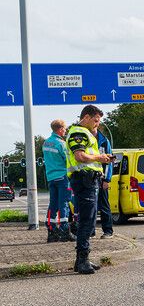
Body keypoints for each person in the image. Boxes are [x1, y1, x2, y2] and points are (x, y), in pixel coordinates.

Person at [65, 105, 115, 275]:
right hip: (84, 179)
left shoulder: (86, 133)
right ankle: (82, 261)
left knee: (90, 219)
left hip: (89, 179)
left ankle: (82, 259)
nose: (97, 125)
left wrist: (102, 160)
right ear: (86, 117)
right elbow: (80, 156)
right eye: (95, 120)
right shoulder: (79, 132)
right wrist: (100, 157)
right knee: (87, 221)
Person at [42, 119, 74, 243]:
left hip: (51, 177)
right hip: (62, 177)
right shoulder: (61, 144)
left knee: (53, 204)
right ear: (60, 129)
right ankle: (64, 231)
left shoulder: (46, 143)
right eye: (65, 129)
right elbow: (68, 161)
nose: (65, 131)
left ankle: (51, 231)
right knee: (64, 203)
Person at [91, 125, 114, 239]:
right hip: (89, 178)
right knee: (90, 205)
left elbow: (110, 162)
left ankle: (108, 231)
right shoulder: (85, 139)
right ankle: (91, 231)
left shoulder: (104, 141)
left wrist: (107, 179)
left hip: (101, 178)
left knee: (104, 205)